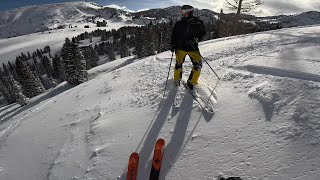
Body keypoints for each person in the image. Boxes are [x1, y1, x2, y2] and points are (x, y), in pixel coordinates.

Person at [171, 5, 206, 91]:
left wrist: (196, 39)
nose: (182, 14)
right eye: (181, 12)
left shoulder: (198, 23)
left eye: (184, 12)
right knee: (178, 64)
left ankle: (191, 82)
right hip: (180, 48)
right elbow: (173, 35)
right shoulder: (179, 23)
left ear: (189, 12)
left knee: (198, 65)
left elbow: (203, 33)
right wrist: (172, 44)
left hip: (192, 48)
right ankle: (176, 80)